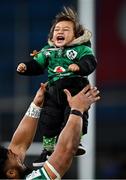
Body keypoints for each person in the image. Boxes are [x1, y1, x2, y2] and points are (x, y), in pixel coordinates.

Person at [16, 6, 97, 166]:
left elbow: (91, 62)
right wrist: (26, 67)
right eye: (57, 29)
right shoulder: (47, 51)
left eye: (66, 29)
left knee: (73, 115)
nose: (60, 32)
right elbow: (37, 65)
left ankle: (76, 141)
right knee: (49, 119)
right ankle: (47, 150)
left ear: (76, 35)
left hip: (75, 89)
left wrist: (79, 67)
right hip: (53, 90)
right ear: (52, 35)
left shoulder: (81, 49)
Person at [0, 83, 100, 179]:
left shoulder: (10, 172)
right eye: (11, 156)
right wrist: (77, 110)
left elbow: (19, 145)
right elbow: (66, 151)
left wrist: (36, 104)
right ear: (11, 173)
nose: (12, 151)